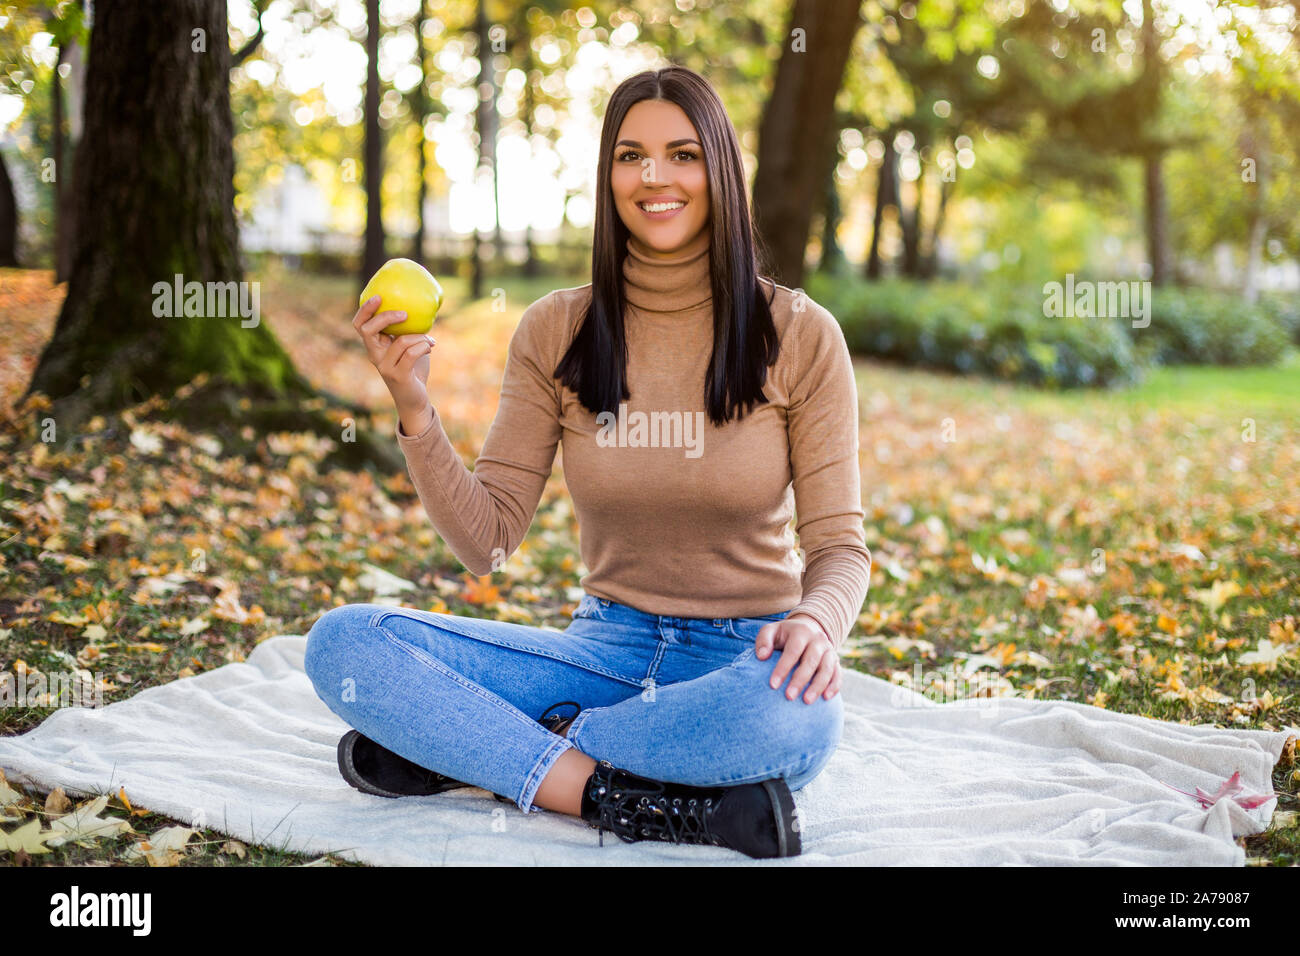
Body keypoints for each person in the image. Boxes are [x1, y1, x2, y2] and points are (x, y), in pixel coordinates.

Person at [305, 65, 870, 860]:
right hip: (602, 651)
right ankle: (607, 794)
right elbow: (487, 542)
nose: (654, 178)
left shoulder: (802, 334)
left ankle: (486, 754)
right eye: (630, 156)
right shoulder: (555, 329)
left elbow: (841, 546)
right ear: (608, 177)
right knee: (345, 645)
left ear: (719, 168)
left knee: (799, 720)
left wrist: (817, 620)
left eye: (682, 154)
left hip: (745, 660)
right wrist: (414, 405)